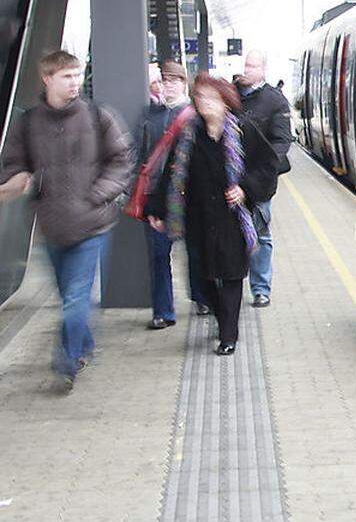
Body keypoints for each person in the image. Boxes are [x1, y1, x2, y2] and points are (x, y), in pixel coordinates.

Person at [0, 50, 133, 389]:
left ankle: (66, 358)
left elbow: (121, 159)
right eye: (66, 77)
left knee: (77, 297)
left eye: (77, 75)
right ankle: (83, 345)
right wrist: (20, 179)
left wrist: (96, 195)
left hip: (92, 224)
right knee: (67, 296)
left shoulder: (97, 115)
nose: (75, 83)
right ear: (47, 79)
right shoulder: (27, 123)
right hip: (52, 226)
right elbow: (13, 163)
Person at [147, 75, 278, 355]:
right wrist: (158, 209)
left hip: (232, 217)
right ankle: (221, 318)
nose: (204, 103)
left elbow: (269, 166)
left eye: (211, 98)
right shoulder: (189, 134)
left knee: (231, 276)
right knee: (204, 278)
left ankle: (229, 335)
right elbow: (171, 173)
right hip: (198, 217)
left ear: (225, 101)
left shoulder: (244, 130)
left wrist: (245, 188)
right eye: (200, 98)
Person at [234, 50, 292, 308]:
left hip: (260, 181)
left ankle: (260, 289)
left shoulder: (275, 101)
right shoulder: (231, 95)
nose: (247, 69)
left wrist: (268, 168)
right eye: (245, 64)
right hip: (230, 178)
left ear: (263, 70)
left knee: (260, 234)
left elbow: (282, 140)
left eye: (252, 65)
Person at [140, 61, 195, 329]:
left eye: (174, 80)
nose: (169, 85)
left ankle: (201, 297)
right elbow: (140, 156)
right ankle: (163, 311)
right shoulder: (151, 116)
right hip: (157, 199)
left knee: (195, 253)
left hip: (188, 198)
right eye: (165, 80)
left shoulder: (194, 115)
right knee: (159, 256)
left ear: (185, 83)